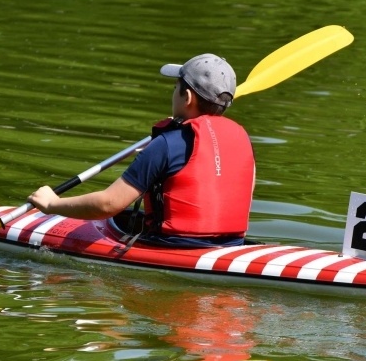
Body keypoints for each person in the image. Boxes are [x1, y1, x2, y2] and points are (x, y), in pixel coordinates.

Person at [28, 54, 255, 247]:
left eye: (175, 87)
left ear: (186, 97)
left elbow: (108, 204)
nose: (173, 92)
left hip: (172, 248)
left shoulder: (167, 144)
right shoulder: (242, 142)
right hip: (230, 247)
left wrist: (52, 204)